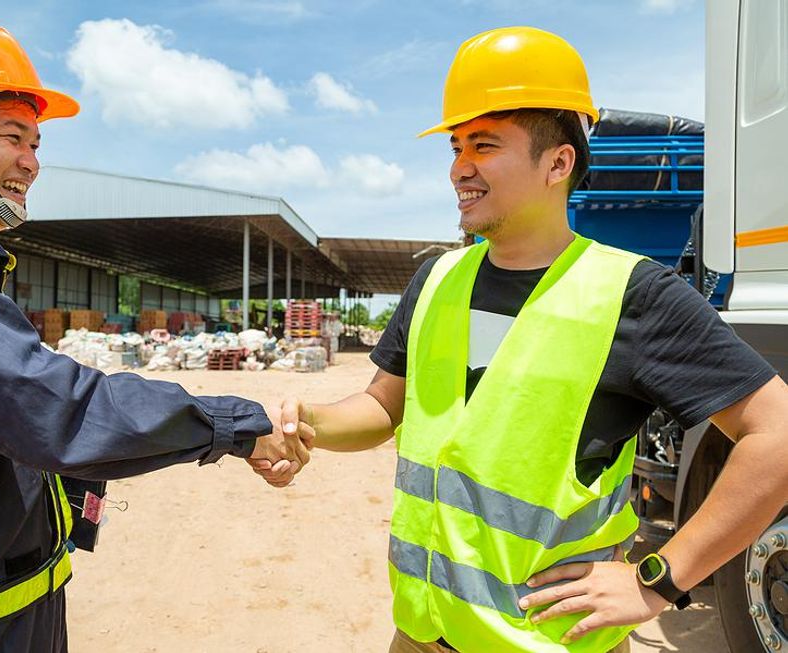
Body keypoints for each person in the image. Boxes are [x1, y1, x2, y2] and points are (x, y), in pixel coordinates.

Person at [256, 26, 788, 652]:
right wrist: (307, 422)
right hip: (422, 632)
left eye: (484, 145)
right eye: (456, 147)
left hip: (545, 643)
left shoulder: (631, 295)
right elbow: (382, 408)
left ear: (558, 162)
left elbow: (776, 432)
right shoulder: (437, 278)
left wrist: (659, 579)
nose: (460, 168)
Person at [0, 21, 306, 652]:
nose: (32, 163)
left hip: (0, 618)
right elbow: (50, 409)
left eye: (36, 143)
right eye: (13, 137)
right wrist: (236, 423)